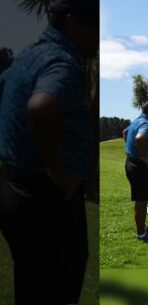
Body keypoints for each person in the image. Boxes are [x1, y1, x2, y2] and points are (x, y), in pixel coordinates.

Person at [0, 0, 98, 304]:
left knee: (32, 285)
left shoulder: (29, 55)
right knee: (54, 289)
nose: (99, 39)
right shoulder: (61, 61)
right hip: (46, 202)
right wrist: (56, 167)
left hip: (17, 191)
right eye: (95, 28)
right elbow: (42, 104)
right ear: (72, 23)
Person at [123, 100, 148, 241]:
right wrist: (144, 156)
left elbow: (125, 132)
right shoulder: (146, 123)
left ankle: (143, 227)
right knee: (141, 201)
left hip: (132, 163)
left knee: (143, 199)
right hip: (140, 167)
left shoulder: (137, 120)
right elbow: (139, 138)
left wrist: (132, 151)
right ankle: (141, 234)